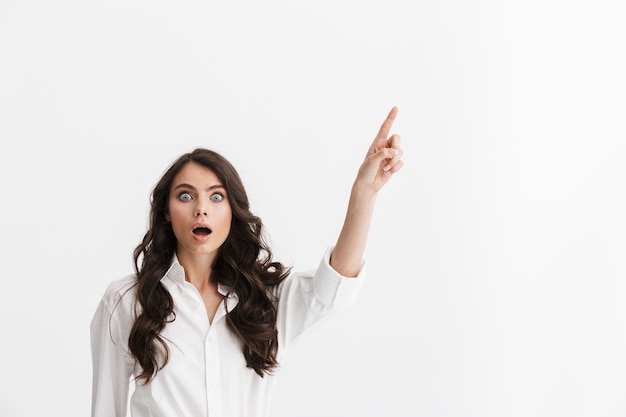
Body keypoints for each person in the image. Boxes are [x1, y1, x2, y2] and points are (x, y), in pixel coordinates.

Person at [90, 106, 404, 417]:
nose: (202, 208)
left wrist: (365, 192)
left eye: (216, 197)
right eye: (185, 196)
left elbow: (335, 286)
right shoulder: (126, 302)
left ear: (232, 212)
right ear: (166, 212)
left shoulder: (263, 299)